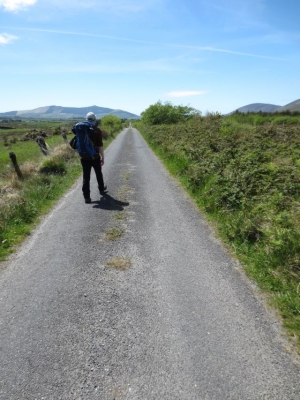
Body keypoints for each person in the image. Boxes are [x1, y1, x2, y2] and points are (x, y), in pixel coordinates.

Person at [79, 112, 107, 203]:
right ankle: (101, 189)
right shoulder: (97, 130)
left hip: (84, 158)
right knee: (98, 173)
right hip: (95, 157)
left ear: (86, 119)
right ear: (95, 119)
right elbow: (100, 146)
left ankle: (86, 197)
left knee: (86, 177)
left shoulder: (81, 129)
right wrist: (102, 157)